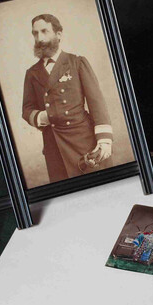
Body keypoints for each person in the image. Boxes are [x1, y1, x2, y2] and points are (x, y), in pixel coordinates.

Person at [22, 13, 113, 183]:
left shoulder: (76, 62)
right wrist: (41, 117)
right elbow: (26, 109)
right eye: (35, 33)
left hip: (83, 142)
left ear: (58, 34)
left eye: (44, 31)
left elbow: (97, 103)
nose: (39, 38)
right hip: (54, 147)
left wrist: (105, 140)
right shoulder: (32, 73)